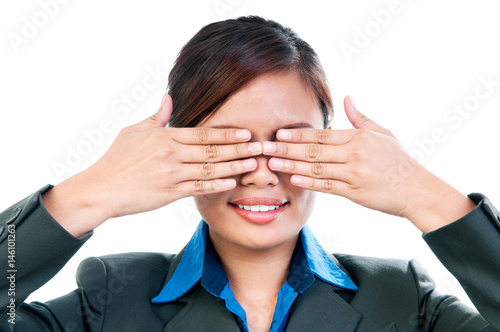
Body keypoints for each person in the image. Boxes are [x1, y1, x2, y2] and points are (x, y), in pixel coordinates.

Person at [1, 15, 499, 332]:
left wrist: (425, 197)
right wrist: (89, 195)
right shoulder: (109, 298)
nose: (261, 175)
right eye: (229, 144)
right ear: (177, 149)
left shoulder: (404, 298)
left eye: (290, 143)